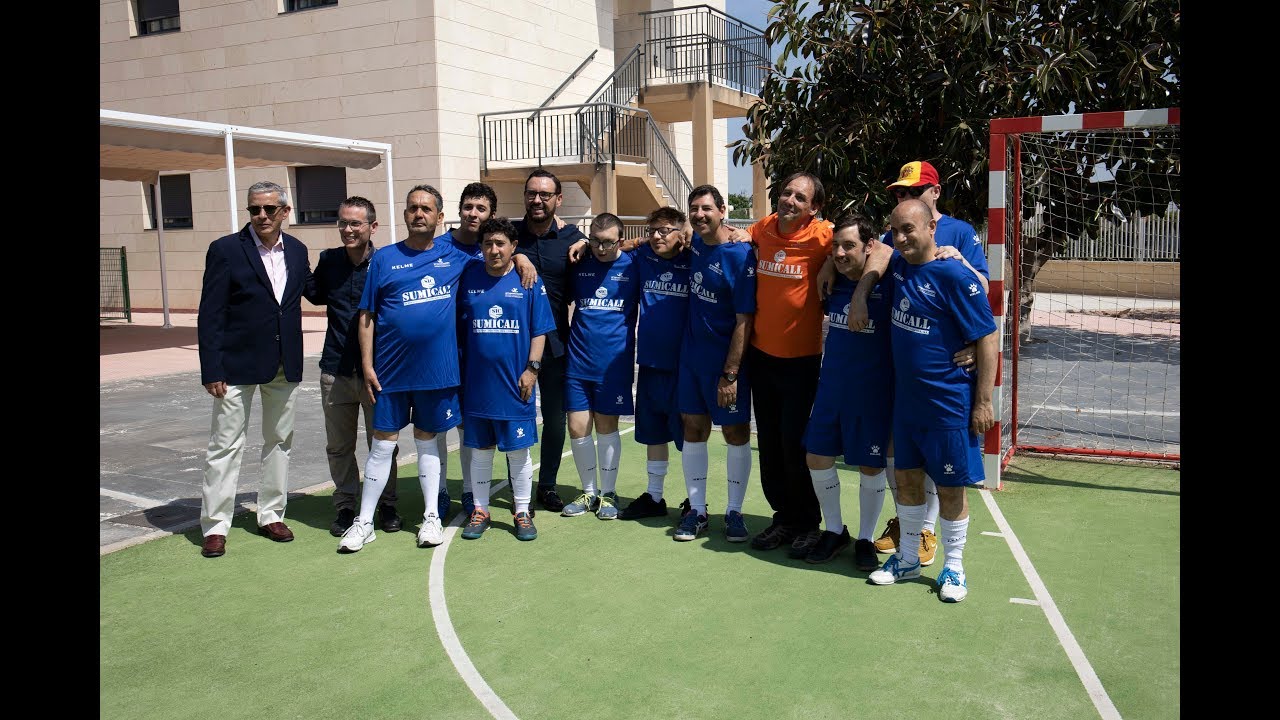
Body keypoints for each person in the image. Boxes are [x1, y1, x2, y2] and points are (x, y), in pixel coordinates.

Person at [337, 184, 534, 553]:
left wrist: (522, 258)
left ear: (439, 217)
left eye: (426, 208)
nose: (419, 214)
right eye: (413, 208)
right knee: (382, 447)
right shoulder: (385, 259)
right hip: (390, 372)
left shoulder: (459, 258)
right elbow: (367, 316)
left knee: (429, 441)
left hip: (437, 373)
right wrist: (366, 365)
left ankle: (431, 516)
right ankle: (363, 522)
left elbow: (500, 260)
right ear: (406, 213)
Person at [865, 199, 998, 603]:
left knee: (951, 487)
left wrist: (983, 402)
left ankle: (954, 567)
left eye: (909, 229)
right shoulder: (901, 266)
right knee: (905, 481)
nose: (901, 237)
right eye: (895, 229)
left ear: (930, 229)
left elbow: (987, 337)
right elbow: (870, 253)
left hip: (948, 404)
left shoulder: (955, 274)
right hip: (907, 405)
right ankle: (907, 559)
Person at [196, 180, 313, 558]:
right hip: (235, 367)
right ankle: (215, 526)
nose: (261, 216)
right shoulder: (226, 250)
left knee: (280, 442)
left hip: (284, 364)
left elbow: (313, 290)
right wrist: (211, 367)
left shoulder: (297, 250)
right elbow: (210, 314)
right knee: (225, 446)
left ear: (285, 212)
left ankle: (271, 514)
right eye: (254, 209)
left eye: (268, 209)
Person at [743, 171, 833, 558]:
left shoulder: (824, 236)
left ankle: (809, 522)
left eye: (800, 197)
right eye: (786, 193)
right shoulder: (761, 229)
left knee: (796, 445)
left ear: (814, 208)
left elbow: (873, 247)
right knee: (770, 445)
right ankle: (783, 517)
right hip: (761, 358)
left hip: (801, 361)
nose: (790, 201)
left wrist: (830, 264)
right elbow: (727, 238)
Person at [800, 214, 895, 569]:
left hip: (872, 393)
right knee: (817, 457)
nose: (839, 252)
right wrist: (829, 262)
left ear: (868, 247)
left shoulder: (889, 278)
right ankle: (835, 530)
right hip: (832, 388)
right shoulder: (831, 280)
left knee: (871, 467)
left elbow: (888, 250)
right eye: (835, 246)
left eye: (849, 246)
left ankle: (866, 539)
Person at [454, 217, 555, 541]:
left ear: (514, 248)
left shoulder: (528, 280)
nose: (494, 249)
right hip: (478, 384)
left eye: (501, 244)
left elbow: (540, 329)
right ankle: (480, 509)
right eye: (488, 243)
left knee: (518, 451)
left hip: (516, 384)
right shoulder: (469, 274)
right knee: (481, 451)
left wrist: (532, 369)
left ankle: (522, 510)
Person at [307, 196, 401, 538]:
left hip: (379, 373)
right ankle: (346, 505)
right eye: (343, 222)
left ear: (372, 227)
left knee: (383, 444)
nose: (348, 229)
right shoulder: (329, 261)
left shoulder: (387, 263)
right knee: (339, 446)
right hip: (335, 370)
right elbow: (313, 293)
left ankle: (387, 504)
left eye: (355, 223)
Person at [675, 185, 757, 542]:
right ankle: (697, 510)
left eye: (706, 208)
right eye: (694, 209)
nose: (699, 215)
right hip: (691, 360)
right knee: (693, 430)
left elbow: (744, 320)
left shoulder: (740, 255)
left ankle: (735, 512)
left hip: (726, 367)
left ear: (723, 211)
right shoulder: (693, 244)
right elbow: (658, 238)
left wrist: (731, 373)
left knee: (735, 434)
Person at [510, 169, 587, 513]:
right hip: (511, 343)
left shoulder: (573, 237)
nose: (537, 200)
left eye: (544, 194)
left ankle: (547, 485)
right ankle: (518, 482)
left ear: (559, 199)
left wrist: (587, 241)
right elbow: (475, 246)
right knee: (515, 414)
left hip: (556, 342)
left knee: (554, 418)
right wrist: (517, 255)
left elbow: (612, 243)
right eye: (531, 193)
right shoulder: (509, 235)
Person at [560, 213, 641, 520]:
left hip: (614, 366)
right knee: (577, 427)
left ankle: (608, 493)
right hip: (578, 362)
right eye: (595, 240)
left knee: (606, 427)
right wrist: (582, 243)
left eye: (608, 242)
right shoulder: (579, 264)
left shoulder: (633, 266)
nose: (601, 248)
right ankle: (588, 492)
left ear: (620, 240)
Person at [620, 206, 692, 520]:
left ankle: (695, 500)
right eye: (653, 230)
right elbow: (614, 247)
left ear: (682, 232)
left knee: (689, 437)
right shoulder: (642, 257)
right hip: (649, 363)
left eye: (665, 230)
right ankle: (655, 497)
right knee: (653, 434)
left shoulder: (695, 259)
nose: (657, 236)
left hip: (684, 366)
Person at [437, 181, 502, 519]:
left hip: (474, 356)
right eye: (468, 207)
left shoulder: (493, 249)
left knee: (467, 426)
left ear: (491, 215)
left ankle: (466, 490)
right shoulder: (436, 247)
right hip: (438, 353)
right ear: (459, 210)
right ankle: (439, 492)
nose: (473, 214)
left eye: (481, 209)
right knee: (435, 425)